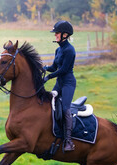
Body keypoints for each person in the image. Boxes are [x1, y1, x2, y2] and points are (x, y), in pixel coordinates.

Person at [43, 20, 76, 151]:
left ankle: (68, 141)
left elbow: (63, 70)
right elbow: (53, 67)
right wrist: (43, 68)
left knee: (65, 108)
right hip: (59, 83)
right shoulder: (58, 50)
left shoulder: (70, 50)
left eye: (57, 33)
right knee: (50, 104)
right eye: (55, 33)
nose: (55, 35)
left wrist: (49, 77)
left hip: (68, 83)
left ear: (65, 35)